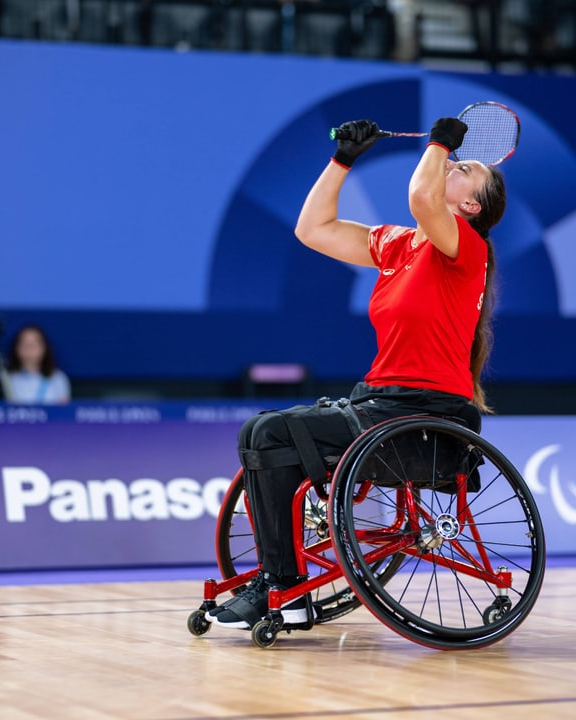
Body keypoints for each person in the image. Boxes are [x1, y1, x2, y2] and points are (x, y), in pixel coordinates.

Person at [208, 116, 507, 629]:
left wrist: (439, 142)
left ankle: (281, 586)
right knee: (260, 431)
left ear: (471, 206)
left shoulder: (466, 249)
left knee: (275, 429)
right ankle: (282, 580)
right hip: (377, 402)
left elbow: (422, 199)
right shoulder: (399, 245)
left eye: (465, 168)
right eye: (454, 159)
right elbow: (312, 230)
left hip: (425, 415)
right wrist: (341, 161)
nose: (454, 164)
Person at [5, 325, 71, 404]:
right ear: (16, 348)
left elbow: (64, 411)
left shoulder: (58, 378)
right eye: (24, 344)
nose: (29, 349)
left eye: (34, 344)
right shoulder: (8, 379)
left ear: (44, 348)